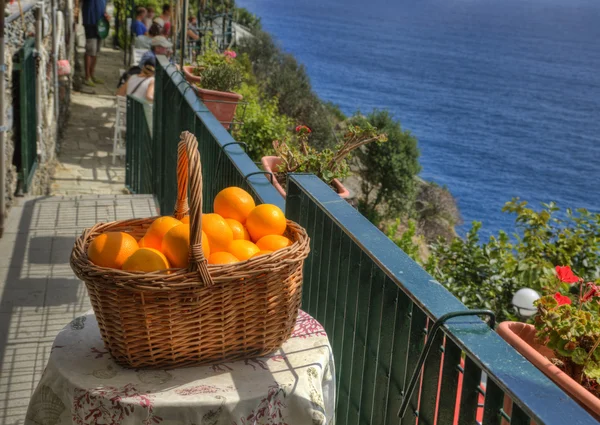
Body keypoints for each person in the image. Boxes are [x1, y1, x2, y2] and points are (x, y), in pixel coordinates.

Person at [81, 0, 107, 87]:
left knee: (96, 51)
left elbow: (104, 8)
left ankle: (92, 75)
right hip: (90, 22)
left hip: (101, 24)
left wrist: (106, 15)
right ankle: (87, 77)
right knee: (90, 50)